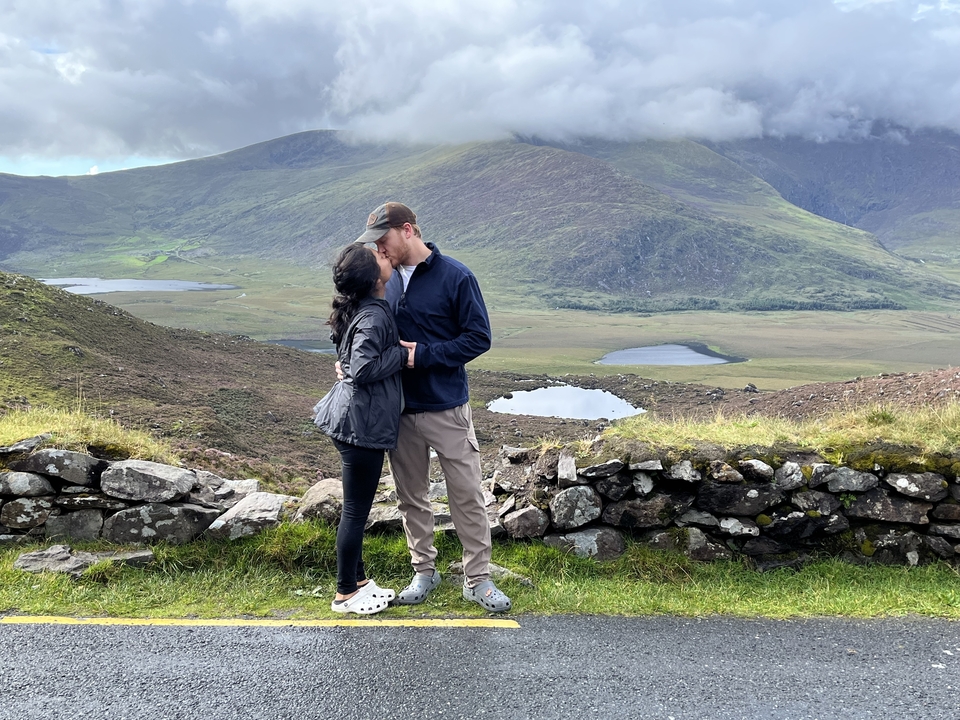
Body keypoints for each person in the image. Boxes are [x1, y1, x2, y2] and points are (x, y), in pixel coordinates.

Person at [354, 201, 512, 613]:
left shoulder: (456, 276)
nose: (379, 249)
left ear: (407, 230)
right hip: (399, 411)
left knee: (466, 496)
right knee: (411, 498)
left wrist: (421, 356)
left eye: (383, 239)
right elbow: (360, 327)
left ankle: (478, 579)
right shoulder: (379, 280)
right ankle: (424, 571)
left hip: (447, 408)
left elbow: (478, 339)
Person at [313, 243, 407, 615]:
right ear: (373, 279)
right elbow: (364, 368)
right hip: (360, 425)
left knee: (356, 507)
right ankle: (345, 593)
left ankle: (360, 580)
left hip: (351, 419)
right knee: (355, 510)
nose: (388, 257)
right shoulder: (373, 316)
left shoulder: (363, 308)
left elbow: (350, 360)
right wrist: (401, 354)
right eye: (382, 258)